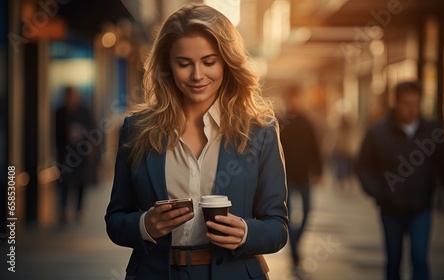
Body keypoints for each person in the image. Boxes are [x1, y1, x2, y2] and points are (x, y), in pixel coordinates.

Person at [105, 4, 288, 280]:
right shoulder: (136, 130)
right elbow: (116, 220)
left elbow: (278, 226)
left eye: (209, 61)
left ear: (227, 62)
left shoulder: (260, 132)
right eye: (184, 63)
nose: (197, 75)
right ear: (167, 65)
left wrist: (247, 232)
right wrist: (145, 225)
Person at [354, 81, 444, 280]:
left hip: (421, 208)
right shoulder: (377, 133)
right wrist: (379, 192)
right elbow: (363, 167)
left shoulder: (433, 132)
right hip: (390, 209)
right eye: (407, 103)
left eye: (416, 103)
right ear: (395, 103)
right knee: (393, 260)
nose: (412, 109)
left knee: (419, 257)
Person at [279, 85, 322, 267]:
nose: (296, 102)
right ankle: (294, 248)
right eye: (293, 98)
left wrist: (318, 170)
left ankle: (295, 242)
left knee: (307, 212)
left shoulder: (307, 122)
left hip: (304, 175)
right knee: (286, 214)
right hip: (287, 177)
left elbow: (315, 147)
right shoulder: (281, 121)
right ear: (288, 99)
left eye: (298, 98)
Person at [55, 86, 96, 224]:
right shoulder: (59, 112)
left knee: (80, 182)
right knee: (64, 181)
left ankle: (79, 209)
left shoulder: (84, 111)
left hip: (80, 154)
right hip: (64, 153)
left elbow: (93, 129)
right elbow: (54, 131)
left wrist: (81, 131)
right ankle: (64, 209)